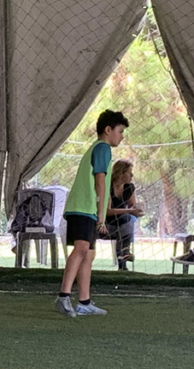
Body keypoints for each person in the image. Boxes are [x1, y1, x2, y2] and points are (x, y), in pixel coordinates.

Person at [55, 110, 128, 317]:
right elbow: (100, 181)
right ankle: (63, 296)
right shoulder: (103, 147)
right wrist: (101, 213)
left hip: (86, 208)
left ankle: (84, 301)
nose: (122, 136)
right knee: (81, 248)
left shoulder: (97, 148)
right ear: (108, 130)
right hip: (84, 207)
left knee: (88, 254)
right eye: (120, 131)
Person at [101, 159, 144, 271]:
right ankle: (124, 255)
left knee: (128, 220)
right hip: (104, 223)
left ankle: (123, 258)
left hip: (120, 222)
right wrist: (129, 211)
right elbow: (107, 211)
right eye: (129, 172)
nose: (132, 175)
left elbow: (131, 206)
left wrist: (137, 209)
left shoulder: (129, 187)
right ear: (121, 173)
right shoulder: (107, 186)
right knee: (128, 219)